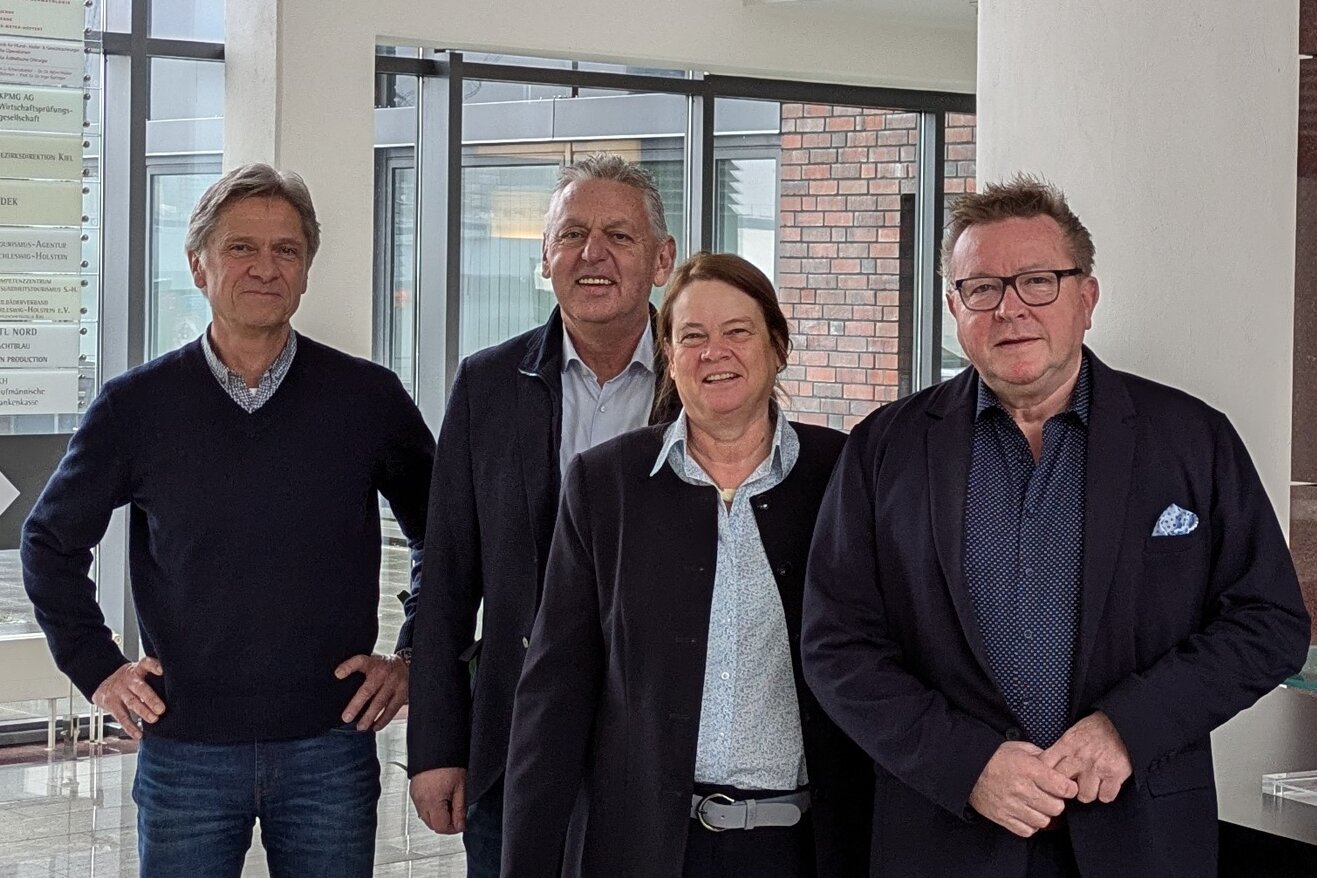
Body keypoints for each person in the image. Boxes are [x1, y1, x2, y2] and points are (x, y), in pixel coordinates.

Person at [801, 175, 1311, 878]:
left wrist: (1128, 729)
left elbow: (1269, 622)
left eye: (1037, 281)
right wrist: (965, 763)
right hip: (946, 836)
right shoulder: (884, 449)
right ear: (954, 307)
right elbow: (837, 646)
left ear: (1086, 298)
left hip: (1139, 835)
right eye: (981, 288)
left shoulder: (1191, 439)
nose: (1009, 309)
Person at [21, 163, 434, 878]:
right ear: (198, 265)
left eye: (286, 250)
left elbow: (448, 536)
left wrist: (413, 657)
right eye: (242, 248)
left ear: (305, 270)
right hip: (185, 749)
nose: (265, 269)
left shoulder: (367, 399)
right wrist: (100, 670)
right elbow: (50, 544)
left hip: (330, 746)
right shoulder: (135, 408)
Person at [501, 251, 872, 878]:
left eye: (738, 332)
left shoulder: (843, 475)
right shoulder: (604, 485)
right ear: (669, 356)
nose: (714, 352)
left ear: (777, 345)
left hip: (807, 849)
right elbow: (554, 694)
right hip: (645, 850)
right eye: (692, 336)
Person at [407, 153, 679, 877]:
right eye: (571, 234)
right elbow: (447, 574)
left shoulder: (704, 385)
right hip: (516, 744)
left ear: (661, 259)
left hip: (664, 749)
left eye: (618, 236)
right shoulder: (488, 384)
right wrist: (437, 747)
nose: (591, 255)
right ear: (545, 256)